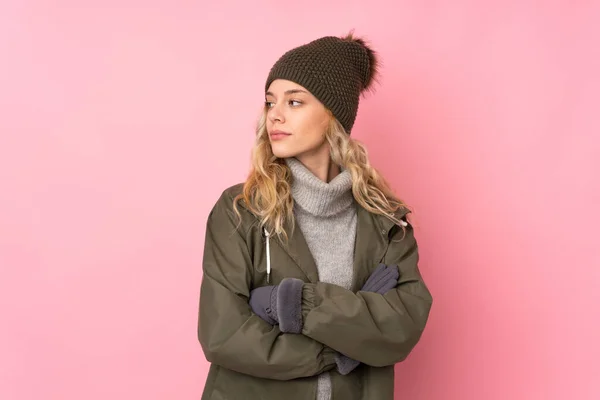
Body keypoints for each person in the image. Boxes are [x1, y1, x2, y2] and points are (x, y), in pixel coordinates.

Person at [197, 32, 433, 400]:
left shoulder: (387, 222)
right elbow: (223, 334)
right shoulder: (241, 211)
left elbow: (401, 327)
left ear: (333, 114)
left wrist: (294, 305)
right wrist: (344, 342)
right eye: (270, 101)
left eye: (294, 102)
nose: (275, 114)